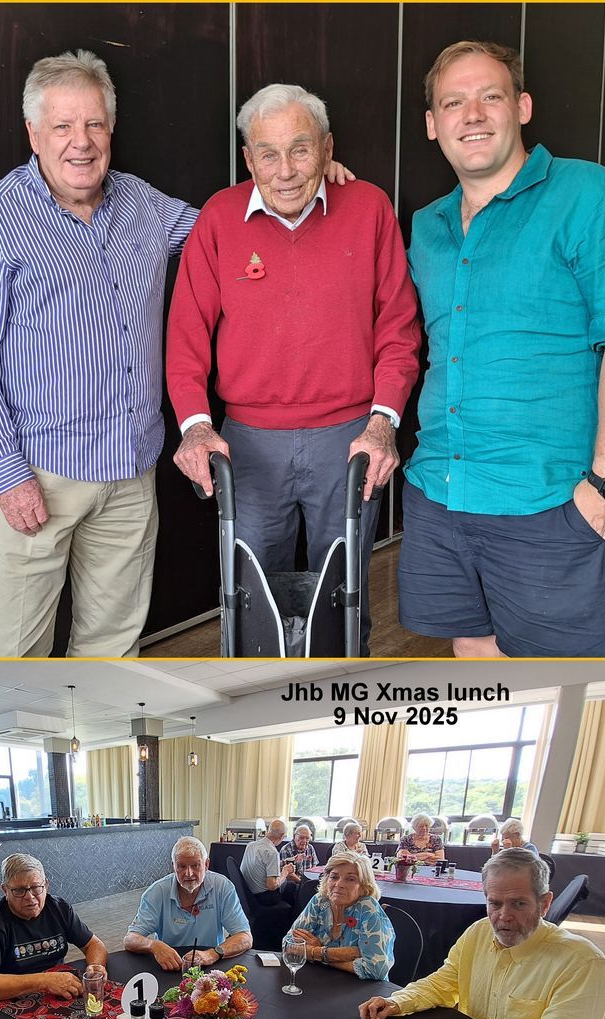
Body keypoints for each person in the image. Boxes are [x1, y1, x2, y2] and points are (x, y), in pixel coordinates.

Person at [0, 51, 352, 658]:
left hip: (130, 474)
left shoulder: (142, 206)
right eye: (62, 126)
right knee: (14, 653)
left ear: (111, 129)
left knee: (112, 646)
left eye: (95, 124)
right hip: (36, 473)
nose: (81, 143)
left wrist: (302, 173)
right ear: (33, 133)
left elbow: (231, 228)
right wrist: (7, 474)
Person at [398, 40, 605, 658]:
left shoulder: (589, 195)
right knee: (473, 652)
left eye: (490, 96)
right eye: (453, 103)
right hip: (441, 489)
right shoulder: (427, 226)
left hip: (543, 499)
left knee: (560, 680)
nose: (473, 114)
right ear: (433, 125)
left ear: (521, 106)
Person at [165, 84, 421, 654]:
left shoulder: (369, 207)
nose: (285, 170)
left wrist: (383, 423)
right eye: (268, 153)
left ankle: (338, 698)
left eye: (301, 150)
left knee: (346, 601)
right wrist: (196, 426)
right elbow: (185, 339)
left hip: (350, 438)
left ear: (328, 149)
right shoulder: (218, 217)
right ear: (248, 158)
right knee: (250, 603)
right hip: (248, 447)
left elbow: (398, 328)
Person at [358, 848, 605, 1019]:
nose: (504, 916)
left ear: (545, 904)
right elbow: (444, 983)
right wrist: (397, 1001)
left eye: (518, 904)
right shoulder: (480, 931)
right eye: (495, 903)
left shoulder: (581, 962)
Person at [0, 853, 110, 1002]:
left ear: (46, 885)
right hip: (9, 1001)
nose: (29, 897)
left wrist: (95, 966)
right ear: (5, 891)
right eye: (19, 890)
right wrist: (44, 981)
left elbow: (93, 944)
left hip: (57, 993)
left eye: (36, 887)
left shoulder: (59, 908)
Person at [123, 836, 252, 971]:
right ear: (173, 866)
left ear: (206, 864)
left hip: (210, 965)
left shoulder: (223, 887)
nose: (189, 873)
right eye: (182, 866)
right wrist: (153, 945)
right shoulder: (157, 892)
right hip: (170, 966)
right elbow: (130, 939)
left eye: (195, 866)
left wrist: (213, 953)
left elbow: (245, 937)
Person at [289, 852, 395, 979]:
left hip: (364, 989)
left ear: (364, 885)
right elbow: (289, 945)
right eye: (334, 877)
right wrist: (346, 954)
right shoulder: (320, 901)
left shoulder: (368, 909)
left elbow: (376, 969)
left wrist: (315, 952)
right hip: (322, 980)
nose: (339, 884)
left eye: (350, 879)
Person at [241, 817, 306, 916]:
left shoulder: (251, 845)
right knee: (291, 886)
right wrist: (285, 873)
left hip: (247, 894)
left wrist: (288, 860)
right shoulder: (272, 852)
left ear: (268, 830)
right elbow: (272, 886)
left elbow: (262, 864)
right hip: (263, 898)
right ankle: (289, 921)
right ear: (282, 836)